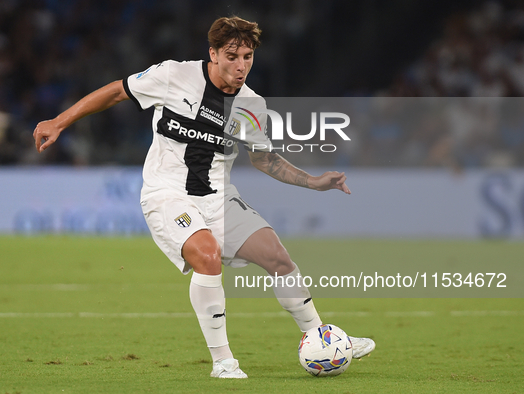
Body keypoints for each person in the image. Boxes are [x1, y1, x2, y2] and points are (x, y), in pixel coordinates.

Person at [33, 16, 375, 378]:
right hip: (167, 194)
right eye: (232, 56)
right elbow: (117, 91)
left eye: (247, 56)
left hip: (219, 198)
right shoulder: (172, 76)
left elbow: (264, 159)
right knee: (207, 255)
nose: (241, 65)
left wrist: (314, 182)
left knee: (279, 259)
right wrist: (60, 120)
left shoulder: (252, 106)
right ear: (212, 53)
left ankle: (323, 339)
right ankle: (223, 361)